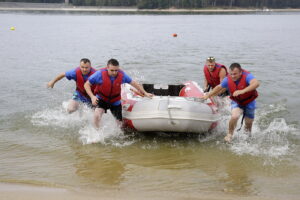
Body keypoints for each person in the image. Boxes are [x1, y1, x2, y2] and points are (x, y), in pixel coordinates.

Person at [84, 58, 153, 129]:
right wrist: (92, 97)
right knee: (96, 116)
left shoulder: (122, 75)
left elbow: (134, 83)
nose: (114, 72)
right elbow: (86, 84)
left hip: (115, 101)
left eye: (116, 70)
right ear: (107, 68)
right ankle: (97, 133)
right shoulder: (99, 74)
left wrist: (145, 93)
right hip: (102, 98)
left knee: (120, 125)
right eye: (112, 70)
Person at [202, 63, 260, 142]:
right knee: (234, 116)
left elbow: (256, 83)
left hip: (249, 101)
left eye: (235, 74)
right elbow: (219, 87)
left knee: (248, 123)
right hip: (237, 101)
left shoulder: (247, 76)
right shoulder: (228, 79)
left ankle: (247, 139)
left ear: (240, 72)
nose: (233, 76)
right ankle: (229, 134)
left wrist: (242, 91)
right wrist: (208, 95)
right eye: (231, 74)